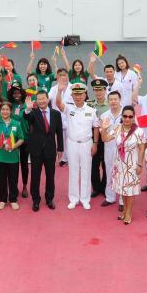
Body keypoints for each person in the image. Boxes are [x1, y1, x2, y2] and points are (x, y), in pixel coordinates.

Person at [55, 80, 99, 209]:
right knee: (73, 171)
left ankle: (85, 199)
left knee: (86, 171)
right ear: (72, 95)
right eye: (76, 94)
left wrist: (95, 143)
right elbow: (58, 104)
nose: (78, 97)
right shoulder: (69, 108)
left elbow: (96, 127)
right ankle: (74, 198)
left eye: (80, 94)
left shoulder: (91, 110)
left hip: (86, 144)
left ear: (85, 95)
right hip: (72, 143)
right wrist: (59, 90)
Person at [101, 105, 145, 224]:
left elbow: (142, 149)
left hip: (132, 165)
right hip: (119, 164)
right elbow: (105, 139)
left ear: (134, 117)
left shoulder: (139, 131)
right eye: (125, 116)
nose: (127, 119)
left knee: (129, 190)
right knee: (122, 189)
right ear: (122, 116)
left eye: (130, 116)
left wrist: (140, 165)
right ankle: (125, 209)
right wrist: (104, 129)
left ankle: (128, 212)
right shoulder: (117, 128)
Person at [23, 90, 64, 211]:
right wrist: (28, 109)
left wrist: (60, 148)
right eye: (39, 99)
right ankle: (35, 200)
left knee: (50, 176)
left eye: (43, 98)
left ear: (48, 99)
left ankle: (49, 199)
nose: (41, 101)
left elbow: (59, 132)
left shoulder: (56, 114)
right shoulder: (33, 113)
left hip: (50, 150)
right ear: (36, 101)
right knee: (35, 176)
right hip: (36, 150)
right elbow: (26, 117)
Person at [0, 101, 26, 210]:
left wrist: (13, 146)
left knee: (13, 180)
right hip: (0, 157)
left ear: (11, 111)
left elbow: (21, 138)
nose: (5, 111)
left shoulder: (16, 123)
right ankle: (3, 199)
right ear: (0, 111)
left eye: (7, 109)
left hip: (13, 158)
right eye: (3, 109)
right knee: (2, 179)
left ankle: (13, 199)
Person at [98, 90, 124, 209]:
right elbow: (102, 133)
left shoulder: (126, 113)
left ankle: (123, 200)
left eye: (115, 99)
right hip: (109, 148)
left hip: (123, 149)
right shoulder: (104, 116)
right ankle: (110, 197)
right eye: (111, 99)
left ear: (120, 100)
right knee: (109, 172)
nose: (113, 102)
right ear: (108, 101)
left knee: (122, 174)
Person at [4, 84, 31, 198]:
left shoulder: (27, 105)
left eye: (18, 93)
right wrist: (0, 83)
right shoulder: (10, 105)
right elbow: (0, 96)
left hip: (25, 138)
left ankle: (24, 186)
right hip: (12, 138)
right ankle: (13, 186)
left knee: (24, 164)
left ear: (22, 93)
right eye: (14, 93)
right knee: (13, 164)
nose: (16, 95)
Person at [88, 79, 112, 199]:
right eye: (96, 90)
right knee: (94, 163)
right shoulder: (89, 104)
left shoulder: (110, 104)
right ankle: (96, 187)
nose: (98, 92)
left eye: (101, 90)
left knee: (106, 163)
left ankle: (105, 186)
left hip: (106, 136)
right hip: (92, 136)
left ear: (105, 90)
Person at [48, 68, 74, 165]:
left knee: (71, 140)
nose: (62, 77)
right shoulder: (53, 89)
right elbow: (47, 98)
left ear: (67, 76)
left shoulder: (73, 87)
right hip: (58, 119)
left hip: (71, 118)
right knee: (60, 140)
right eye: (60, 75)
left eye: (64, 75)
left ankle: (71, 158)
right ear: (57, 77)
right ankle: (63, 158)